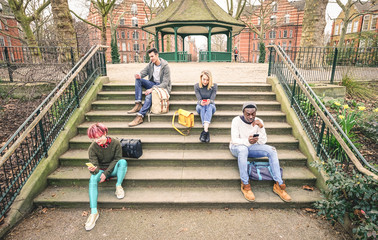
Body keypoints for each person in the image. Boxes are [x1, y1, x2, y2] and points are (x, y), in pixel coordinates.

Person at [229, 102, 291, 202]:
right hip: (237, 148)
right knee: (243, 150)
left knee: (272, 150)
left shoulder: (259, 121)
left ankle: (278, 184)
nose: (250, 117)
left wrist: (261, 128)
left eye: (253, 114)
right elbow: (235, 140)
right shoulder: (236, 120)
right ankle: (245, 184)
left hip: (252, 147)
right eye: (247, 114)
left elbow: (262, 142)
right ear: (243, 113)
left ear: (256, 113)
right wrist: (247, 141)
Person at [85, 123, 128, 231]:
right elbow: (95, 166)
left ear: (105, 133)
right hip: (100, 171)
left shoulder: (115, 143)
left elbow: (117, 159)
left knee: (123, 162)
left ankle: (118, 186)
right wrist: (94, 171)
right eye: (94, 138)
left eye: (99, 137)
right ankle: (94, 212)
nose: (97, 140)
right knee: (92, 179)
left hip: (113, 169)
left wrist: (106, 173)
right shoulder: (92, 148)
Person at [127, 48, 172, 127]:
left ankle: (140, 116)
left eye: (152, 56)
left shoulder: (165, 66)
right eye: (150, 57)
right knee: (138, 80)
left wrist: (152, 89)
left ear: (157, 55)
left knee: (149, 95)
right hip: (153, 84)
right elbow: (143, 72)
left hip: (162, 88)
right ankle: (138, 104)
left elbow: (165, 83)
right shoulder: (151, 64)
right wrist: (139, 75)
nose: (151, 58)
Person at [194, 70, 217, 142]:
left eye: (207, 80)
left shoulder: (214, 86)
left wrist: (209, 101)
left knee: (209, 107)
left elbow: (212, 99)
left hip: (211, 106)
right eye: (204, 79)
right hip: (200, 106)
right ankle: (206, 131)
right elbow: (199, 99)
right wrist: (201, 102)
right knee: (203, 107)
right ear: (201, 78)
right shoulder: (196, 86)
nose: (205, 82)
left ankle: (205, 131)